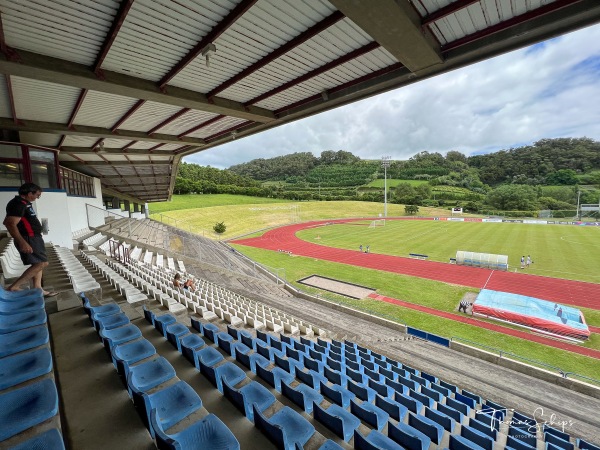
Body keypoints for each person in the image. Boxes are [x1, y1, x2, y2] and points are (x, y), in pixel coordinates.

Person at [4, 183, 57, 297]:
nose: (37, 198)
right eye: (37, 195)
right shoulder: (19, 204)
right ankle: (14, 287)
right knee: (42, 263)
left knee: (39, 262)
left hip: (33, 237)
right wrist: (22, 242)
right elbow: (9, 223)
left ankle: (38, 288)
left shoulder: (24, 203)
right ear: (29, 193)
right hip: (29, 238)